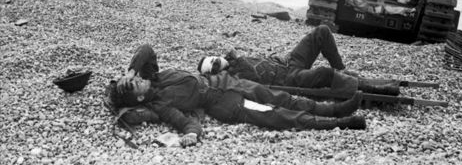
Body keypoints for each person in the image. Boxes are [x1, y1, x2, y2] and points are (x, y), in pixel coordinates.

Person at [108, 44, 366, 147]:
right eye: (134, 85)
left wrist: (130, 71)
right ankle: (339, 122)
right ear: (140, 98)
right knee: (275, 114)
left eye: (135, 79)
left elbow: (146, 49)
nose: (138, 80)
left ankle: (337, 108)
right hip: (225, 104)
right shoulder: (161, 104)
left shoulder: (152, 75)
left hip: (228, 81)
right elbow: (186, 122)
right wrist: (191, 135)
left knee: (282, 97)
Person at [198, 25, 399, 97]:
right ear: (215, 73)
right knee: (324, 74)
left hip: (289, 61)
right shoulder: (232, 76)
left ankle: (343, 71)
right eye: (214, 66)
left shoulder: (232, 62)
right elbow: (251, 75)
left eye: (215, 59)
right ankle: (372, 89)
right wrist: (233, 59)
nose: (218, 63)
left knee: (322, 31)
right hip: (290, 78)